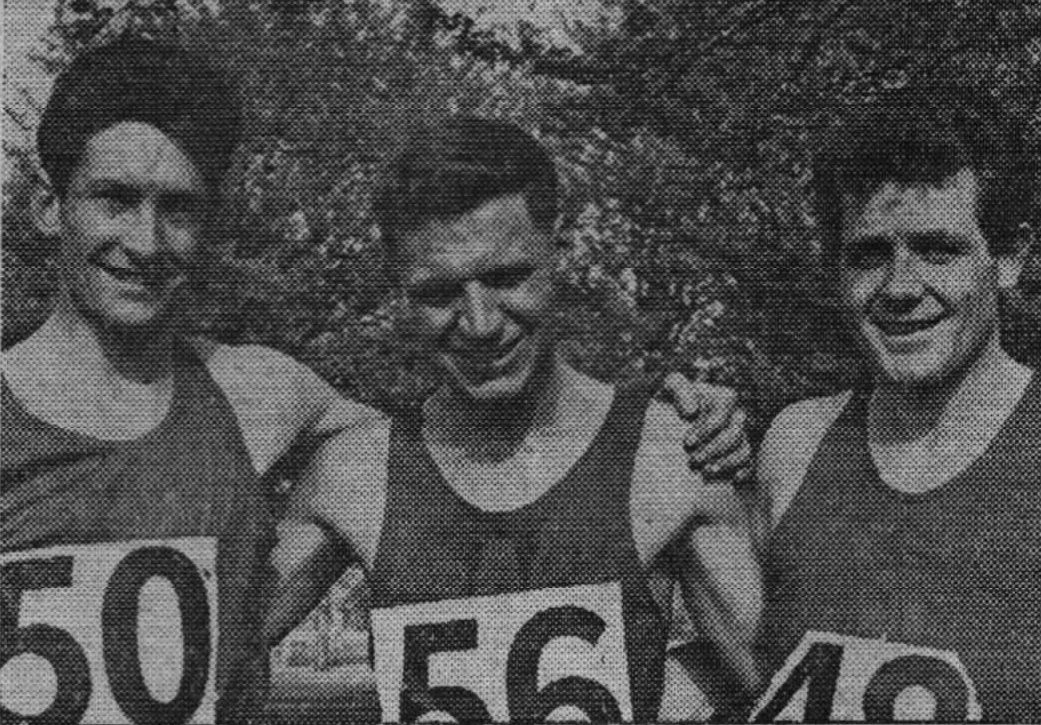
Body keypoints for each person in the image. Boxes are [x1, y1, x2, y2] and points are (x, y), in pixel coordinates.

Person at [0, 40, 751, 724]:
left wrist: (684, 410)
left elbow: (780, 675)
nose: (145, 241)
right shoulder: (351, 469)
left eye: (178, 208)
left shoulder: (266, 396)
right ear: (47, 205)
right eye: (114, 199)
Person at [269, 117, 763, 723]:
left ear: (560, 252)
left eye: (507, 278)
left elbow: (790, 682)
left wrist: (669, 691)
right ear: (400, 293)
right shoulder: (355, 474)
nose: (480, 324)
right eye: (439, 293)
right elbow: (197, 664)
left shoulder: (669, 455)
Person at [752, 87, 1041, 723]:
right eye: (869, 255)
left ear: (1009, 258)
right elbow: (749, 674)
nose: (901, 288)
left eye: (938, 250)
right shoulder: (796, 444)